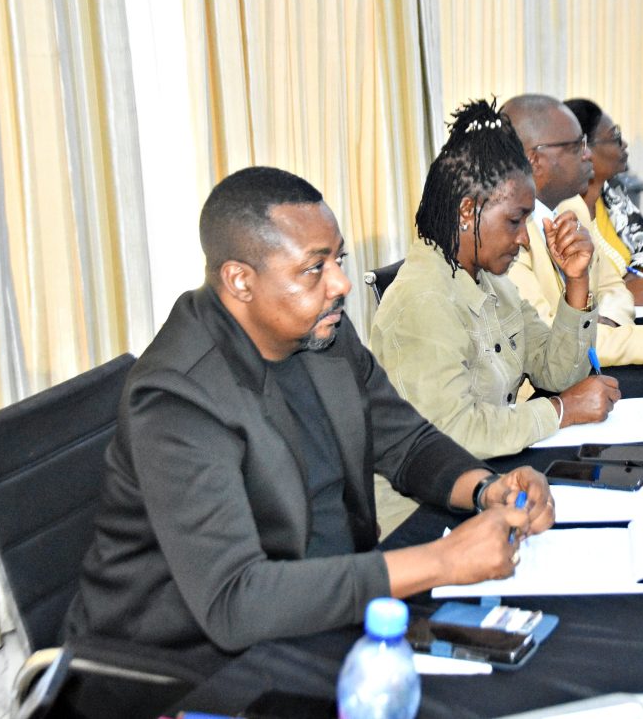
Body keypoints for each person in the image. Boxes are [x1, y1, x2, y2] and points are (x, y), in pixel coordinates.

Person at [64, 166, 554, 672]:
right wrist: (443, 561)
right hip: (189, 663)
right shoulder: (178, 397)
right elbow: (235, 600)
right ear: (240, 280)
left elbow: (405, 443)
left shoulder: (321, 331)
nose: (341, 283)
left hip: (327, 607)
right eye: (314, 268)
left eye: (338, 259)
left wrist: (486, 489)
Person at [371, 99, 621, 460]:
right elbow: (454, 434)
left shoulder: (490, 279)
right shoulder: (423, 301)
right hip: (439, 488)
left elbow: (558, 374)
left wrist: (577, 282)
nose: (524, 238)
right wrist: (561, 410)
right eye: (514, 221)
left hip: (493, 468)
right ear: (467, 211)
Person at [501, 94, 643, 364]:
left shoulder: (571, 206)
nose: (587, 154)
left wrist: (607, 322)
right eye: (576, 146)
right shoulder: (506, 238)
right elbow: (550, 344)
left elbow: (614, 287)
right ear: (535, 159)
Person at [563, 98, 643, 303]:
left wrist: (641, 276)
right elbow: (565, 298)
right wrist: (624, 292)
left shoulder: (612, 195)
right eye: (615, 137)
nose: (624, 144)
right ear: (583, 148)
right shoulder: (560, 211)